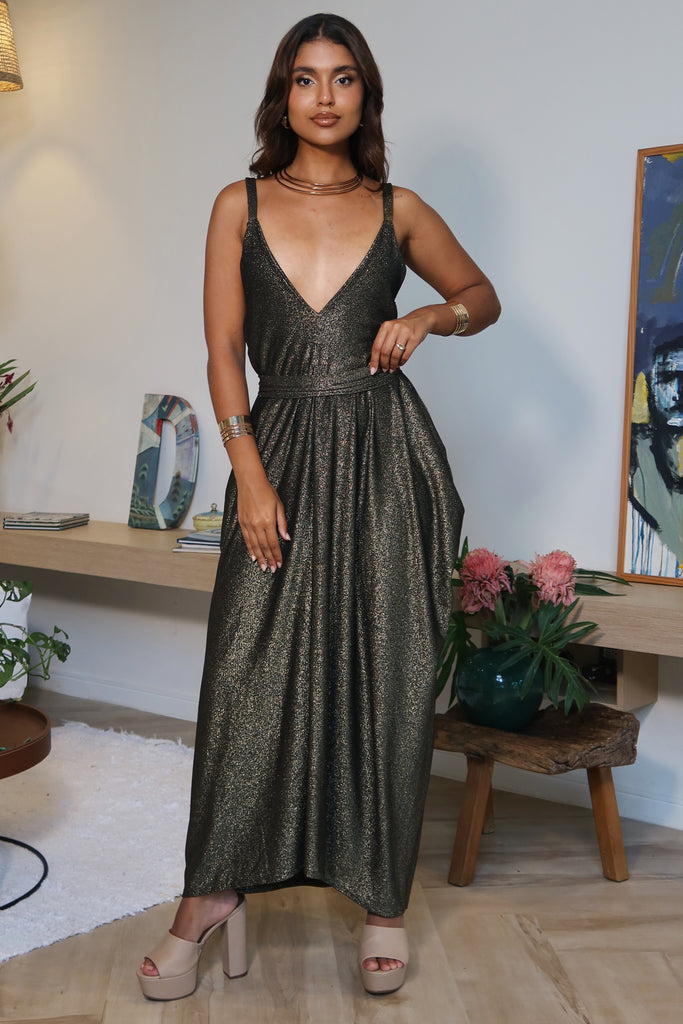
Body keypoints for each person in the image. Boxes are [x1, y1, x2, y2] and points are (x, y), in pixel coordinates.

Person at [138, 11, 500, 1000]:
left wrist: (430, 313)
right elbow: (223, 349)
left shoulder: (399, 209)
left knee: (387, 671)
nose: (325, 96)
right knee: (242, 672)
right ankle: (211, 893)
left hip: (387, 460)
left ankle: (382, 904)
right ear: (283, 94)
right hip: (280, 449)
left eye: (343, 78)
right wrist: (248, 473)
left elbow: (481, 295)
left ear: (364, 94)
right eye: (306, 78)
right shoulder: (238, 204)